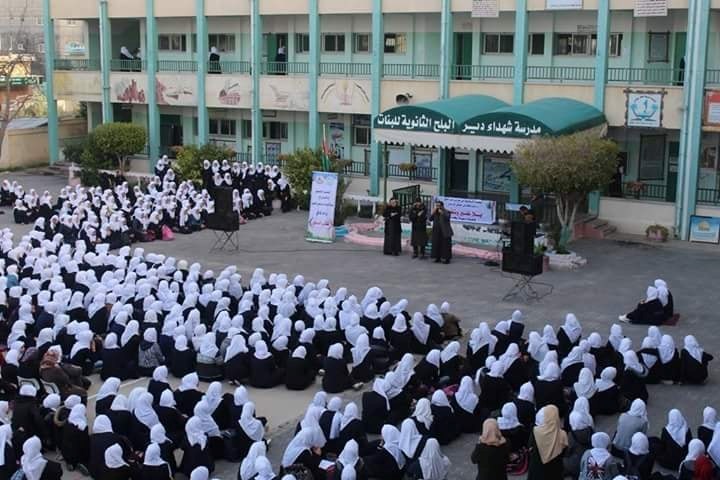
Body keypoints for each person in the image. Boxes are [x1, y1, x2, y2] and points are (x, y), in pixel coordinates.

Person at [527, 405, 567, 480]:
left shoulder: (535, 432)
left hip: (536, 472)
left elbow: (530, 448)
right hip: (555, 471)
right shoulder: (562, 434)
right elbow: (564, 452)